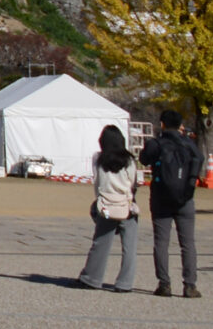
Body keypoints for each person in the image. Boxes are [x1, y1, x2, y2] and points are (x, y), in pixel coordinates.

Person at [139, 109, 204, 298]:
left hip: (161, 198)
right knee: (188, 243)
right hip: (185, 197)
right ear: (181, 125)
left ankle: (164, 283)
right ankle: (190, 285)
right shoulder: (188, 144)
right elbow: (199, 158)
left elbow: (144, 159)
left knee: (161, 241)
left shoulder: (156, 143)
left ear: (162, 124)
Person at [76, 125, 139, 292]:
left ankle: (92, 278)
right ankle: (125, 283)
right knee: (129, 248)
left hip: (106, 205)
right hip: (126, 205)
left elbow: (97, 181)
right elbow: (133, 182)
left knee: (100, 243)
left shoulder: (98, 158)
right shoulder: (130, 160)